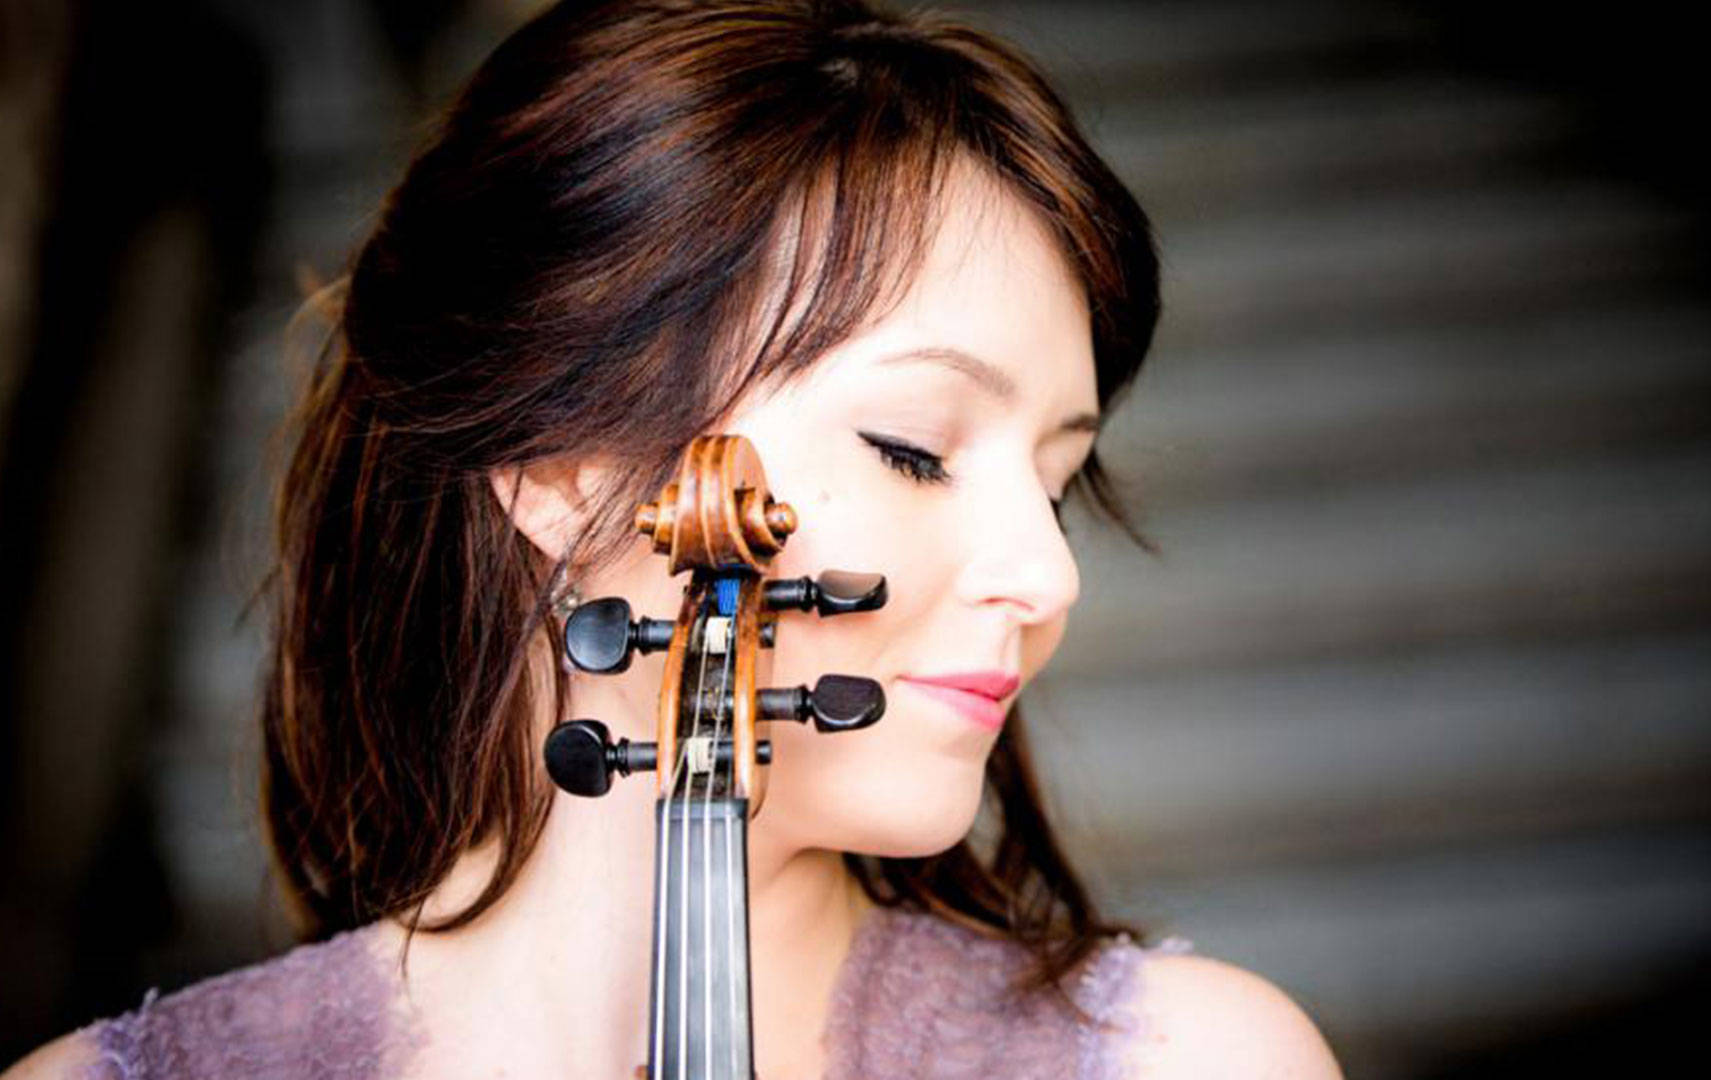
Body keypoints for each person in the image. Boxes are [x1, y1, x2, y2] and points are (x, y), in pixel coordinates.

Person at [5, 1, 1340, 1077]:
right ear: (558, 467)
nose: (1048, 578)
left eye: (1058, 482)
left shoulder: (1196, 1058)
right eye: (917, 449)